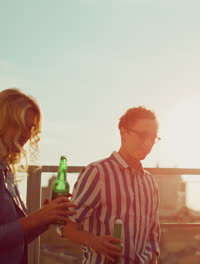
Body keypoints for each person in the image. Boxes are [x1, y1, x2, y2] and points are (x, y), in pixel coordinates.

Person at [63, 106, 161, 264]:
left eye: (153, 138)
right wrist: (95, 242)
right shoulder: (98, 172)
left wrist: (153, 258)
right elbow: (66, 225)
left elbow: (152, 234)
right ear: (124, 132)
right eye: (143, 135)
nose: (148, 143)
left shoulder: (150, 182)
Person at [0, 88, 77, 264]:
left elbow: (16, 237)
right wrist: (38, 218)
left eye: (30, 128)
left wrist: (46, 219)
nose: (26, 135)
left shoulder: (7, 171)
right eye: (20, 126)